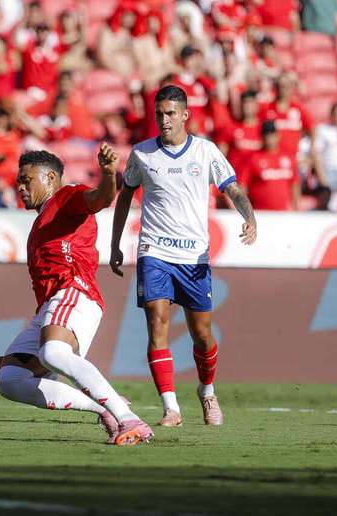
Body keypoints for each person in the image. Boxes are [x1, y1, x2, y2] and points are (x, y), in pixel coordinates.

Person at [110, 85, 257, 427]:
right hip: (154, 251)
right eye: (159, 113)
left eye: (171, 113)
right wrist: (116, 243)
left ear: (185, 115)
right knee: (156, 321)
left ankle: (207, 391)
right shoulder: (142, 154)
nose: (164, 119)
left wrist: (249, 218)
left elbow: (232, 188)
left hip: (194, 257)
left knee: (202, 334)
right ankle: (170, 408)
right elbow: (125, 197)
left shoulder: (205, 152)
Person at [0, 148, 154, 446]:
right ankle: (106, 408)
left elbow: (101, 199)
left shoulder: (67, 197)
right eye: (18, 181)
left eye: (26, 180)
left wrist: (107, 173)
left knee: (53, 354)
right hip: (51, 306)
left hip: (75, 291)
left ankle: (131, 422)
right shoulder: (42, 220)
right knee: (10, 380)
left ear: (50, 177)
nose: (20, 188)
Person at [242, 120, 300, 211]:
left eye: (272, 135)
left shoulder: (289, 157)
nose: (269, 139)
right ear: (261, 137)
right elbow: (243, 185)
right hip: (261, 212)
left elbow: (294, 184)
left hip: (284, 212)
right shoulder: (253, 158)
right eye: (266, 136)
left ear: (278, 135)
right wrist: (246, 210)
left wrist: (296, 208)